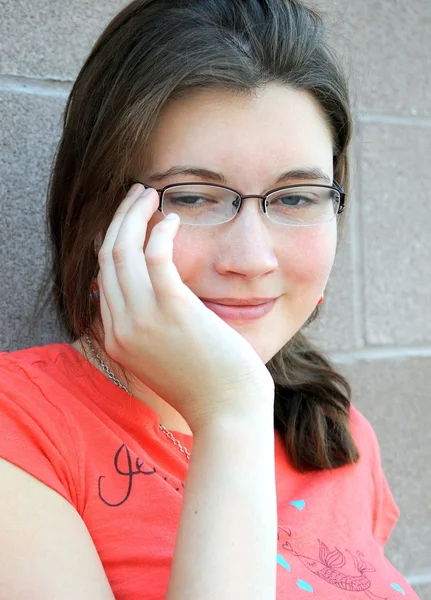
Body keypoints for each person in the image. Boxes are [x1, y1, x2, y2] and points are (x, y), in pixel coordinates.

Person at [0, 0, 419, 598]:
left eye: (296, 198)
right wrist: (230, 413)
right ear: (98, 216)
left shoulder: (333, 432)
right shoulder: (21, 429)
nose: (251, 258)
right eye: (193, 197)